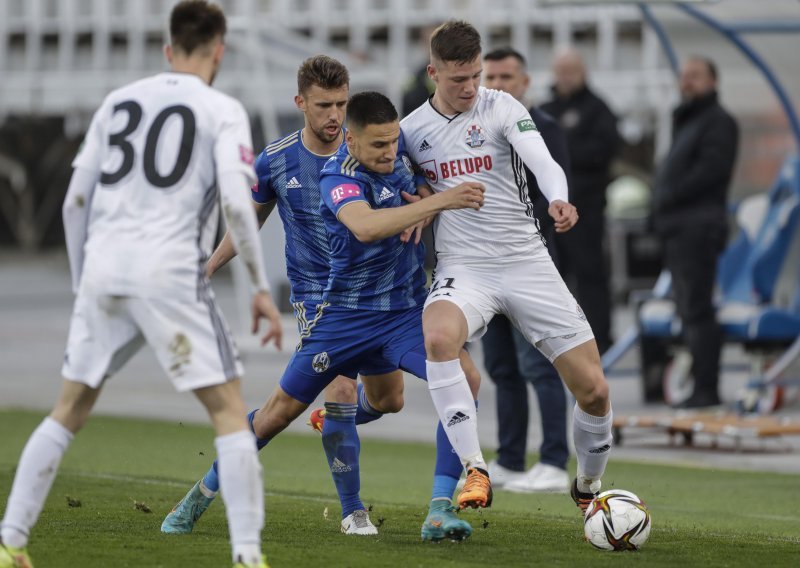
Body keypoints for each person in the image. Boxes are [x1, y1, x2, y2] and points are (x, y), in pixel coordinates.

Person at [0, 3, 282, 568]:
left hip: (105, 271)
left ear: (166, 48)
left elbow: (75, 200)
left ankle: (11, 541)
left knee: (69, 409)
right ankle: (249, 555)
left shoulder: (117, 102)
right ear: (219, 50)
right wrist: (256, 285)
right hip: (171, 274)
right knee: (229, 412)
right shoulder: (222, 109)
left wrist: (86, 285)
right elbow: (235, 201)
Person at [161, 89, 489, 543]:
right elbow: (366, 226)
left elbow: (421, 175)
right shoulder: (338, 177)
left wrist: (427, 191)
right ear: (351, 142)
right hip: (342, 319)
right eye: (378, 145)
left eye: (394, 142)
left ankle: (438, 509)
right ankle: (201, 493)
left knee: (457, 380)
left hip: (404, 313)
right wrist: (438, 202)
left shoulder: (399, 156)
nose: (390, 151)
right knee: (277, 414)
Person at [401, 20, 614, 513]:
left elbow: (545, 163)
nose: (471, 87)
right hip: (465, 267)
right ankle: (476, 469)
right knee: (438, 339)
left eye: (476, 76)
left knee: (595, 390)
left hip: (526, 261)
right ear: (434, 72)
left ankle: (587, 483)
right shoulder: (412, 131)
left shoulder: (501, 106)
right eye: (458, 80)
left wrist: (558, 199)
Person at [479, 47, 571, 493]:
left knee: (538, 364)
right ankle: (512, 457)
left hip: (528, 261)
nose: (497, 84)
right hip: (483, 263)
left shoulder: (545, 128)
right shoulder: (476, 128)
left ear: (525, 81)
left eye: (506, 76)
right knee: (501, 367)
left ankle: (554, 459)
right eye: (490, 76)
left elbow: (549, 191)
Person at [651, 56, 739, 409]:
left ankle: (707, 388)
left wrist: (668, 196)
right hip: (678, 227)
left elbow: (711, 172)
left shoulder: (718, 122)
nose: (687, 82)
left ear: (713, 81)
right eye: (684, 76)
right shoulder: (686, 120)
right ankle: (699, 385)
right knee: (687, 308)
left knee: (698, 309)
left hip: (698, 228)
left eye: (695, 76)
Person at [540, 48, 619, 354]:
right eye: (561, 70)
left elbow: (603, 151)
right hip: (549, 212)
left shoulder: (598, 109)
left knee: (590, 274)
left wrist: (562, 152)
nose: (566, 77)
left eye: (571, 70)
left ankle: (600, 337)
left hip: (587, 209)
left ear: (583, 72)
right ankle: (558, 338)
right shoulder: (545, 110)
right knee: (553, 276)